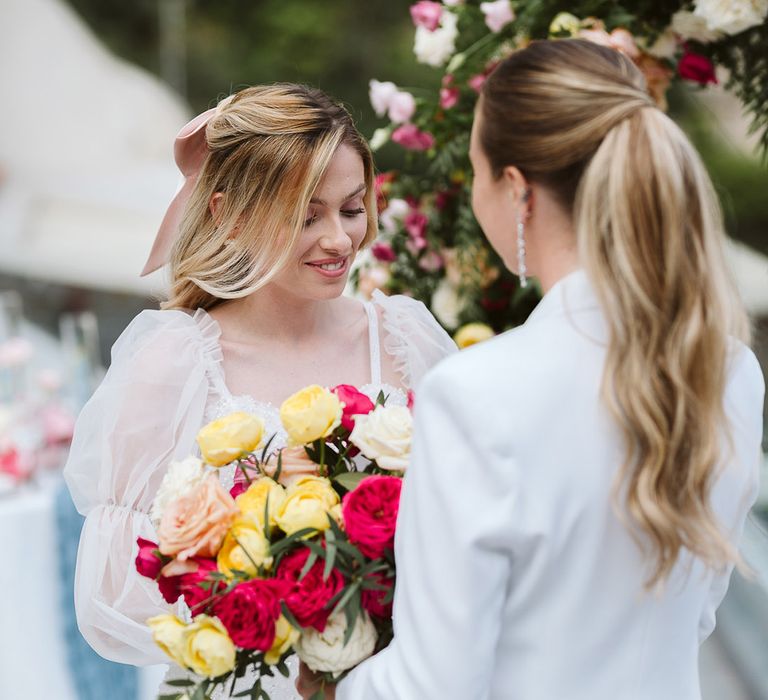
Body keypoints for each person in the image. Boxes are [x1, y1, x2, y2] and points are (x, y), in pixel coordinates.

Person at [297, 39, 765, 700]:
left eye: (479, 172)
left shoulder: (475, 395)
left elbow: (434, 685)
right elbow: (694, 615)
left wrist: (327, 683)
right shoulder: (732, 370)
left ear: (517, 191)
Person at [63, 83, 456, 699]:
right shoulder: (174, 361)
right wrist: (262, 585)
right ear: (227, 213)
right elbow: (110, 590)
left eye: (352, 209)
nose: (338, 240)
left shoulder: (403, 338)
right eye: (306, 217)